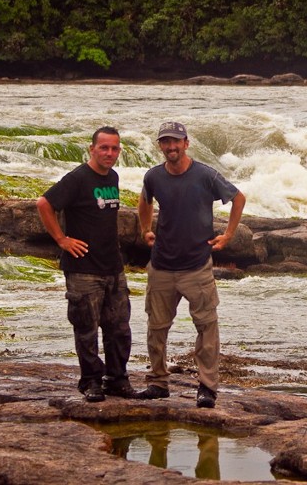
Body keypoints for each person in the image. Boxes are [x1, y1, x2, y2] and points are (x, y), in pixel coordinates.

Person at [136, 121, 245, 408]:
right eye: (165, 142)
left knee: (206, 327)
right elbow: (144, 200)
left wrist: (229, 235)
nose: (171, 147)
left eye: (176, 141)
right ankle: (158, 383)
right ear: (160, 146)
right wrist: (145, 227)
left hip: (197, 266)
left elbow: (238, 198)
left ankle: (207, 388)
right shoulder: (153, 177)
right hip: (161, 266)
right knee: (156, 328)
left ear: (186, 143)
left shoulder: (205, 175)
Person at [36, 126, 136, 402]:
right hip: (83, 269)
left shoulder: (113, 176)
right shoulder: (78, 178)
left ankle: (117, 379)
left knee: (119, 328)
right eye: (104, 147)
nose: (109, 153)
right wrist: (61, 239)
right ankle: (90, 381)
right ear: (92, 148)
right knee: (86, 330)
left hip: (113, 268)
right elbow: (44, 203)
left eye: (114, 148)